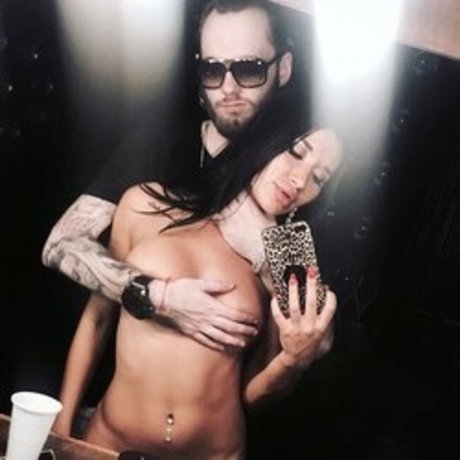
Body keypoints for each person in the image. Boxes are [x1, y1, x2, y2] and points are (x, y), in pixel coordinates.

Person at [52, 92, 345, 459]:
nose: (300, 180)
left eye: (319, 177)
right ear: (263, 138)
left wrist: (293, 362)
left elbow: (255, 397)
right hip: (110, 440)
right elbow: (97, 321)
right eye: (296, 152)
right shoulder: (145, 204)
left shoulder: (285, 259)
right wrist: (62, 428)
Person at [41, 0, 297, 350]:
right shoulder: (159, 143)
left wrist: (265, 246)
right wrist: (159, 297)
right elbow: (60, 243)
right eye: (212, 70)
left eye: (249, 69)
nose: (228, 88)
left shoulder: (296, 168)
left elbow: (311, 326)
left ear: (283, 68)